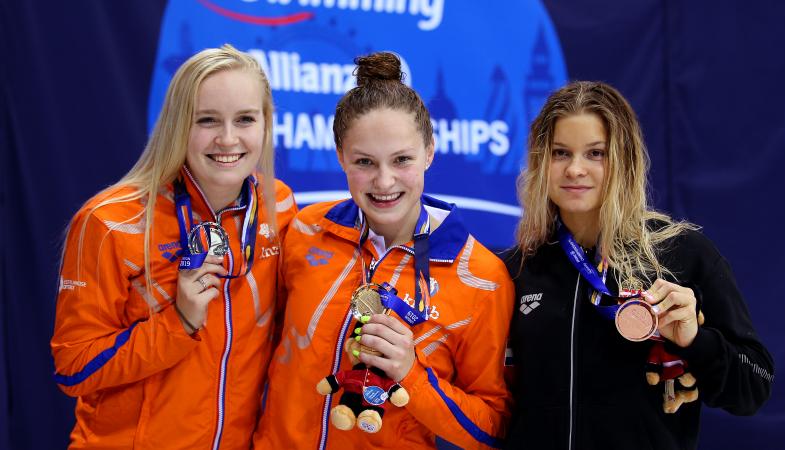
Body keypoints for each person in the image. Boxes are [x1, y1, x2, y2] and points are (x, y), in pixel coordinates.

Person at [252, 52, 514, 449]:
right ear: (340, 156)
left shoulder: (481, 276)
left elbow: (490, 428)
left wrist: (411, 373)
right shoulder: (305, 231)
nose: (384, 180)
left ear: (429, 151)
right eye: (364, 162)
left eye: (402, 159)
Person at [503, 81, 774, 449]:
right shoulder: (518, 269)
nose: (575, 170)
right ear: (539, 161)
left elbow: (755, 385)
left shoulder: (682, 254)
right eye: (560, 153)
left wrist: (695, 342)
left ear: (624, 159)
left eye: (596, 153)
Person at [51, 44, 297, 449]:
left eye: (246, 119)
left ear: (266, 125)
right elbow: (73, 368)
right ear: (177, 124)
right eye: (207, 120)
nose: (228, 138)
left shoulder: (278, 205)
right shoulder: (110, 221)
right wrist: (178, 322)